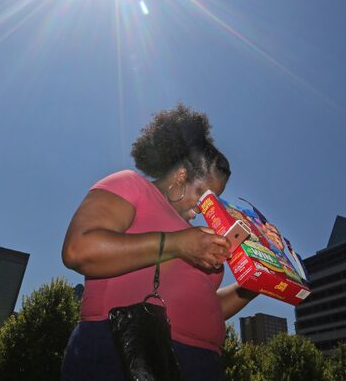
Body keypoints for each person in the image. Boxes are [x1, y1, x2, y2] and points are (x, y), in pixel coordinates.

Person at [61, 104, 257, 380]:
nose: (206, 207)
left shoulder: (194, 234)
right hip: (127, 350)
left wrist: (255, 284)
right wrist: (177, 244)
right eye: (204, 194)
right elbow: (79, 249)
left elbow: (208, 306)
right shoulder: (132, 186)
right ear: (180, 175)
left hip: (203, 363)